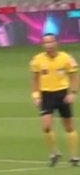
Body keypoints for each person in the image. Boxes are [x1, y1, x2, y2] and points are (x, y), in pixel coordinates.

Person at [30, 33, 79, 166]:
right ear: (43, 45)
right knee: (46, 126)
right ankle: (54, 153)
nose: (49, 45)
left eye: (51, 42)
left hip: (62, 94)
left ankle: (74, 157)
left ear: (56, 43)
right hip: (46, 95)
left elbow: (74, 76)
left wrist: (73, 93)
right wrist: (35, 95)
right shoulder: (37, 60)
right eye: (46, 43)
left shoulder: (66, 58)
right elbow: (35, 79)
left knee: (69, 127)